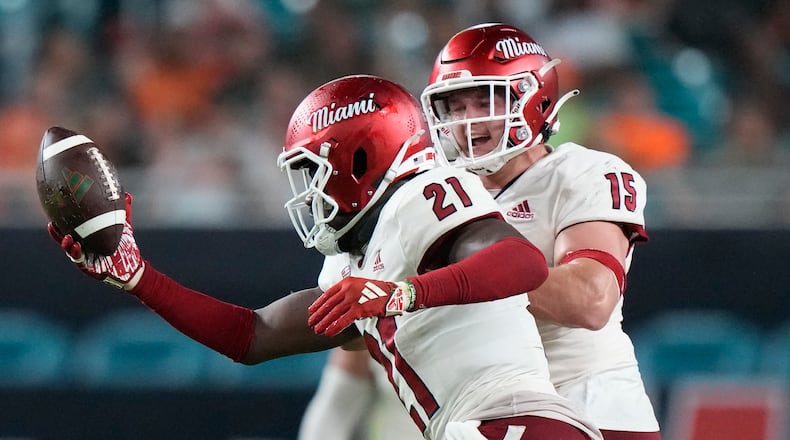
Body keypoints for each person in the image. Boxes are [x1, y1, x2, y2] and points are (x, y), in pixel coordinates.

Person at [48, 74, 601, 440]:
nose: (306, 192)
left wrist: (403, 293)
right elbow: (253, 335)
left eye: (313, 171)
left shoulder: (421, 196)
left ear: (362, 158)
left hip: (515, 421)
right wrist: (139, 278)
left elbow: (521, 263)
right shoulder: (352, 262)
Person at [301, 23, 662, 440]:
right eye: (454, 106)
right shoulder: (429, 190)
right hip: (484, 415)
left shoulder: (582, 173)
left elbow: (590, 300)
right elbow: (360, 337)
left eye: (486, 99)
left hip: (591, 408)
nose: (469, 120)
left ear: (535, 97)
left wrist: (443, 281)